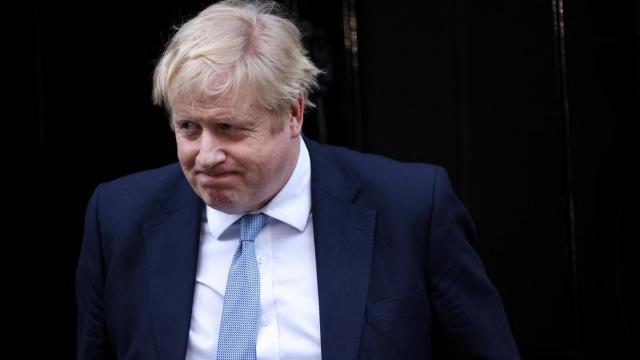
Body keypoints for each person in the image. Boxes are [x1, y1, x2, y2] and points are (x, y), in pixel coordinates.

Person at [76, 0, 520, 359]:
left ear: (292, 114)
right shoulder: (118, 217)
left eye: (230, 128)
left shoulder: (411, 209)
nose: (206, 156)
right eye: (188, 127)